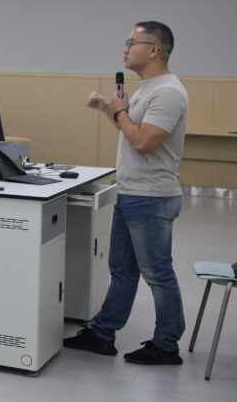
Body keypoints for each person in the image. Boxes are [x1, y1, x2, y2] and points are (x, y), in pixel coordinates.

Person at [65, 21, 189, 366]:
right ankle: (104, 334)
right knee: (121, 270)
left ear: (154, 49)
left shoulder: (168, 92)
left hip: (152, 197)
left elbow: (144, 142)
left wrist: (119, 109)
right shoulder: (148, 88)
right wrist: (109, 109)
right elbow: (132, 131)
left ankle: (167, 344)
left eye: (131, 42)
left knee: (158, 275)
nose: (125, 48)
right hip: (132, 192)